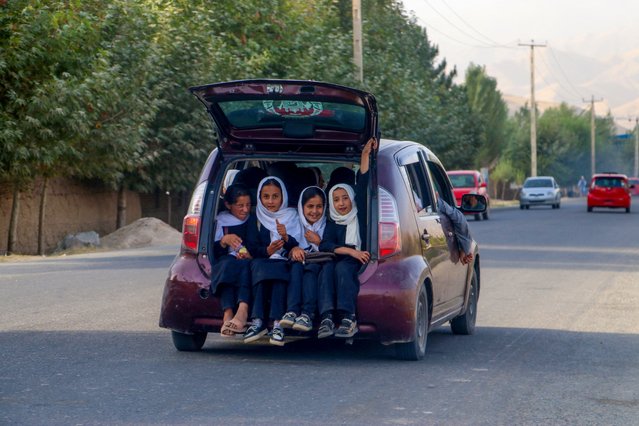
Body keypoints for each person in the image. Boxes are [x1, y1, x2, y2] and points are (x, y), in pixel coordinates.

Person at [317, 138, 375, 339]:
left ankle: (348, 318)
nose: (341, 204)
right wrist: (350, 251)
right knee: (327, 270)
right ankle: (326, 317)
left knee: (343, 268)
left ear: (352, 197)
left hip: (357, 258)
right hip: (346, 254)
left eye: (345, 198)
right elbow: (326, 245)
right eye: (336, 199)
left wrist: (365, 155)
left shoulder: (360, 213)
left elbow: (364, 180)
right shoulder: (333, 220)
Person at [244, 176, 302, 346]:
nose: (270, 201)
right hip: (261, 260)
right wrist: (267, 251)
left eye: (275, 196)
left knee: (279, 274)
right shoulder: (255, 217)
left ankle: (278, 324)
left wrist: (285, 236)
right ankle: (258, 321)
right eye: (266, 196)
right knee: (261, 270)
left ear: (282, 197)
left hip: (284, 260)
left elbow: (298, 244)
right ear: (260, 197)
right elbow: (252, 246)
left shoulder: (291, 215)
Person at [280, 186, 328, 332]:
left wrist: (318, 241)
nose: (314, 211)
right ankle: (292, 311)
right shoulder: (295, 222)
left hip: (319, 262)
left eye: (319, 206)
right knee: (296, 267)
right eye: (310, 206)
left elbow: (332, 247)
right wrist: (294, 249)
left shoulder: (327, 224)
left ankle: (307, 314)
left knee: (310, 270)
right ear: (302, 207)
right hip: (298, 262)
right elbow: (286, 246)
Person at [210, 184, 254, 337]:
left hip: (247, 259)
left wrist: (250, 254)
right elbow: (214, 250)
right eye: (240, 205)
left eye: (248, 205)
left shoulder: (253, 220)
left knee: (244, 267)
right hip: (227, 259)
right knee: (226, 266)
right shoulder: (221, 221)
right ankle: (227, 313)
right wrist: (223, 240)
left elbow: (256, 245)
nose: (245, 210)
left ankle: (242, 310)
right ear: (228, 204)